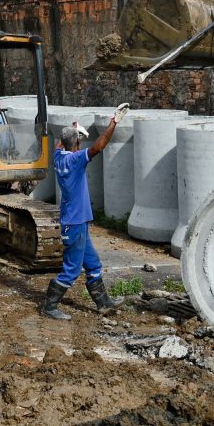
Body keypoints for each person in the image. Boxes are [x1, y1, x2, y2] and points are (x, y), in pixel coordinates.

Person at [41, 103, 131, 320]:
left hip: (75, 220)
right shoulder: (75, 160)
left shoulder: (58, 156)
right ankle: (49, 307)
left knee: (93, 264)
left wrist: (75, 129)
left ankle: (104, 304)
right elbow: (99, 146)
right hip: (75, 223)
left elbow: (66, 141)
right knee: (72, 269)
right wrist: (114, 122)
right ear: (77, 145)